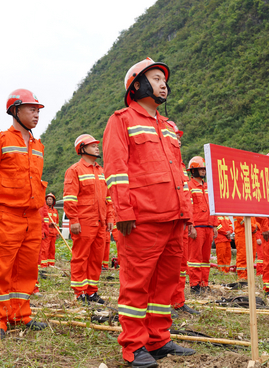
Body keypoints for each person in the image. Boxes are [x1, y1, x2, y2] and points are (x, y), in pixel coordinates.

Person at [103, 58, 196, 366]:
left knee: (166, 283)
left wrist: (188, 214)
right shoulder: (122, 120)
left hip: (174, 218)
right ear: (137, 85)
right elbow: (116, 169)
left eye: (163, 79)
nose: (163, 83)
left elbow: (179, 173)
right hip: (142, 219)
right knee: (136, 284)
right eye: (156, 78)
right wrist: (124, 211)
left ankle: (158, 339)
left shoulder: (169, 127)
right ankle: (133, 345)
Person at [0, 90, 49, 341]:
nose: (36, 113)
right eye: (31, 109)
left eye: (38, 109)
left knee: (27, 269)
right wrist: (3, 197)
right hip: (6, 216)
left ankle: (20, 314)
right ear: (15, 111)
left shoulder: (38, 146)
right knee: (0, 269)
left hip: (32, 216)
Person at [63, 133, 115, 303]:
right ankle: (80, 293)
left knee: (96, 259)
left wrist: (110, 219)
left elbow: (109, 199)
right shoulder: (74, 170)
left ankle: (92, 292)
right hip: (84, 222)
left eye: (96, 145)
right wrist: (74, 220)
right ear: (82, 148)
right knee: (80, 257)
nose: (97, 147)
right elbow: (70, 198)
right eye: (93, 145)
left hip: (100, 222)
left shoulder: (101, 171)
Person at [166, 120, 199, 317]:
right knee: (166, 267)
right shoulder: (162, 163)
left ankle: (178, 301)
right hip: (167, 221)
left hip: (182, 222)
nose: (178, 139)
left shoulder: (180, 166)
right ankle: (163, 304)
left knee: (181, 265)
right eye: (175, 135)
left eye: (178, 136)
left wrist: (190, 222)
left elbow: (187, 199)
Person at [186, 156, 217, 294]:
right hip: (197, 227)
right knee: (194, 258)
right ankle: (195, 284)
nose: (203, 171)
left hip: (209, 226)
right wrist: (190, 225)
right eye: (201, 168)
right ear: (193, 171)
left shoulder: (208, 186)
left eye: (204, 168)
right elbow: (188, 208)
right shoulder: (189, 186)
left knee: (205, 258)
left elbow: (213, 207)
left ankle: (204, 283)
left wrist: (215, 225)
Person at [39, 193, 59, 275]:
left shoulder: (55, 211)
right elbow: (43, 221)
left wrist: (57, 232)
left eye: (51, 199)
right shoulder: (44, 209)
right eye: (48, 199)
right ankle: (43, 265)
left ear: (53, 201)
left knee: (52, 250)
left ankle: (51, 264)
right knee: (44, 249)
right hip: (47, 233)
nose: (49, 200)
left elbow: (57, 222)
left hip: (53, 233)